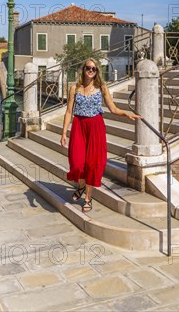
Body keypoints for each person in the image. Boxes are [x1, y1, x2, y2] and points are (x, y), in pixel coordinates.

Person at [60, 58, 141, 213]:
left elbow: (113, 108)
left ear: (97, 71)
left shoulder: (101, 87)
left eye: (94, 69)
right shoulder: (74, 88)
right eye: (88, 68)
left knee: (92, 164)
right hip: (78, 125)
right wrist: (64, 132)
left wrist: (126, 114)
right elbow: (69, 111)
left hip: (95, 126)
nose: (91, 71)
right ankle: (82, 186)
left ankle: (88, 198)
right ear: (83, 69)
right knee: (77, 163)